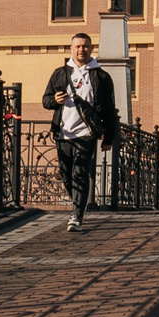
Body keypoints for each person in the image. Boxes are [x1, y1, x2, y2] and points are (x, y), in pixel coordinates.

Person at [42, 33, 120, 230]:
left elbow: (110, 109)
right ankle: (79, 202)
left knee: (80, 171)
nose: (81, 50)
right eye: (77, 46)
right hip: (63, 133)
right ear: (71, 49)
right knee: (68, 175)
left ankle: (77, 215)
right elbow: (46, 100)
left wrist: (108, 136)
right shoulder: (60, 73)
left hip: (86, 133)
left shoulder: (101, 76)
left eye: (85, 46)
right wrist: (55, 101)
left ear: (91, 49)